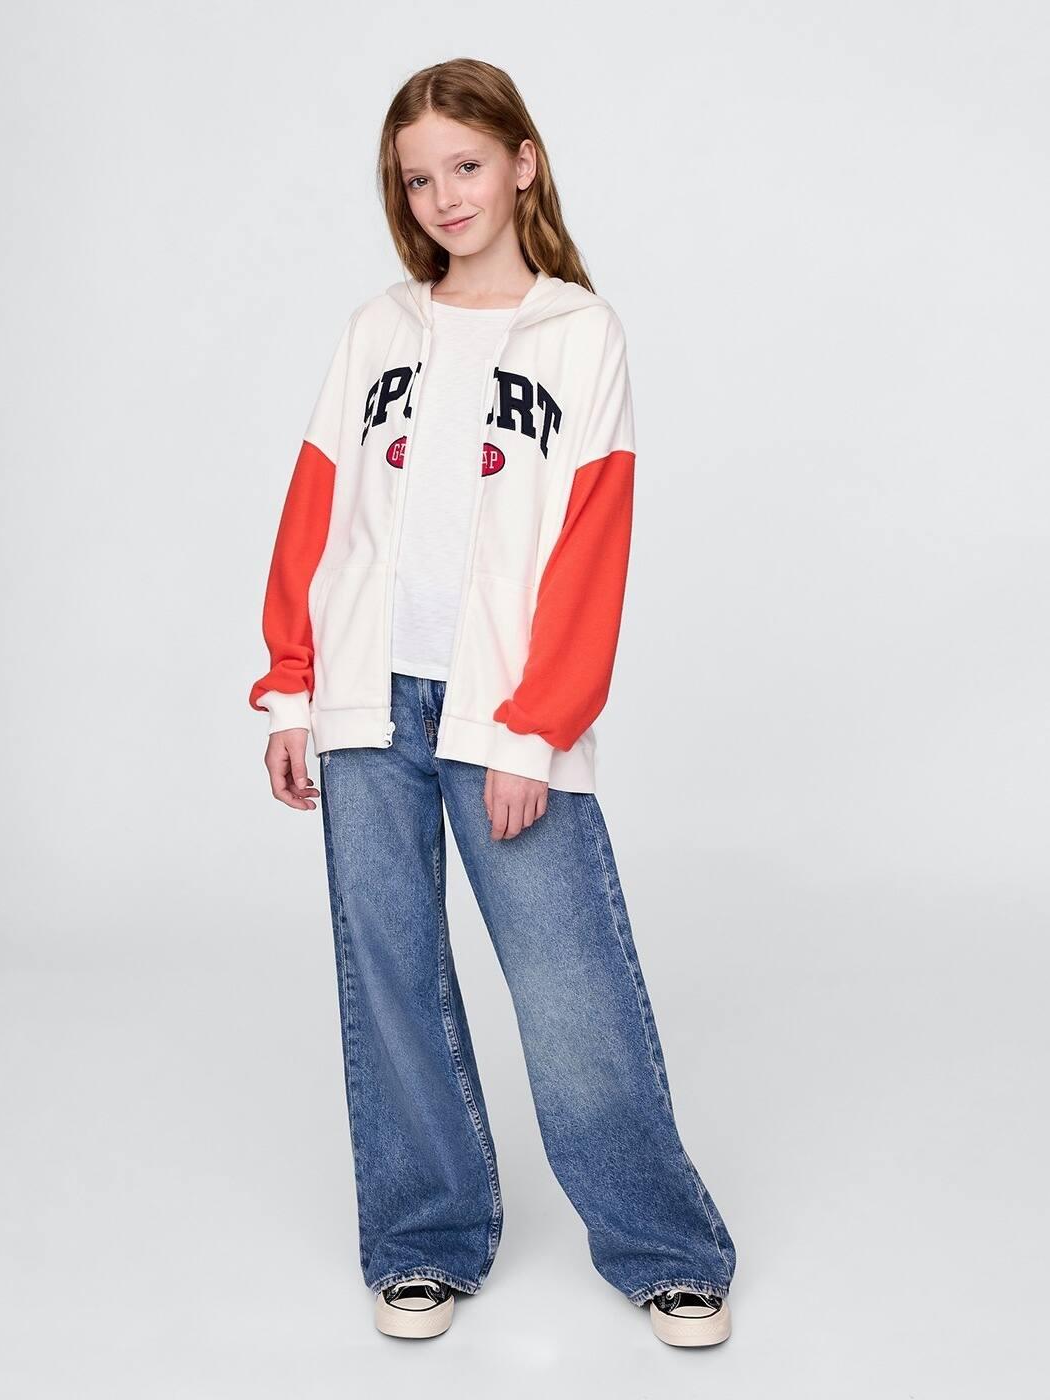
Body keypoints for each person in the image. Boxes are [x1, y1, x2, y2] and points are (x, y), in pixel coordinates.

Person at [248, 57, 736, 1347]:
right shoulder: (377, 331)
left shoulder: (582, 334)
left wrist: (535, 727)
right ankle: (424, 1239)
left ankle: (664, 1247)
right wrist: (290, 690)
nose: (445, 196)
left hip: (507, 711)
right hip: (365, 705)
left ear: (522, 162)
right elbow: (317, 510)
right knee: (390, 979)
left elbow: (590, 545)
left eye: (466, 165)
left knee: (571, 988)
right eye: (418, 178)